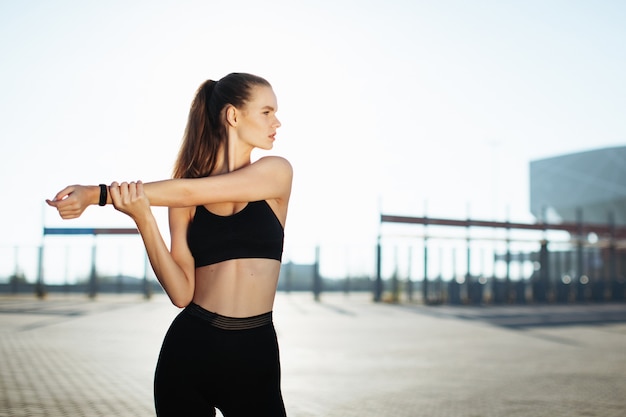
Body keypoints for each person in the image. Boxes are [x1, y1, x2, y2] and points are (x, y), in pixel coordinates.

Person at [47, 72, 292, 417]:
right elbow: (181, 294)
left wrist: (96, 194)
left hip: (254, 354)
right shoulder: (182, 198)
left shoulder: (276, 173)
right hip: (190, 352)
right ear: (233, 116)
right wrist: (144, 218)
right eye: (267, 112)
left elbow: (193, 190)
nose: (277, 121)